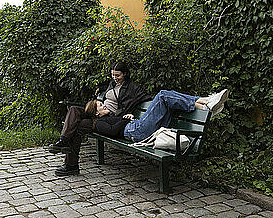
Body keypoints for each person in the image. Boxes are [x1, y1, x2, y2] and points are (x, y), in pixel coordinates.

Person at [48, 61, 151, 176]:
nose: (115, 78)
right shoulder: (113, 83)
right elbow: (108, 87)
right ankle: (64, 141)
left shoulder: (132, 87)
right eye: (113, 75)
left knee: (77, 127)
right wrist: (100, 88)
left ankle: (70, 163)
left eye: (118, 75)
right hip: (98, 111)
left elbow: (144, 97)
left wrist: (129, 114)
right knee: (74, 109)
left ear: (125, 74)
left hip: (108, 117)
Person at [86, 88, 229, 142]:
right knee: (162, 96)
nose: (103, 104)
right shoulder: (99, 123)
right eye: (100, 105)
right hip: (137, 131)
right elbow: (112, 131)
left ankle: (206, 107)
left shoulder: (106, 118)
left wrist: (126, 117)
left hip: (136, 129)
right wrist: (124, 121)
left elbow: (117, 126)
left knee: (169, 104)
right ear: (96, 113)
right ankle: (206, 101)